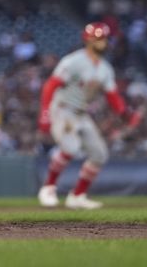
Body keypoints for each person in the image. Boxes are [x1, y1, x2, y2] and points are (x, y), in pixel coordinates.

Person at [37, 22, 141, 209]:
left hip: (81, 113)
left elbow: (113, 98)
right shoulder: (74, 61)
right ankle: (48, 188)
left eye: (106, 39)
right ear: (90, 39)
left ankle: (77, 196)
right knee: (70, 147)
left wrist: (126, 115)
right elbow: (50, 86)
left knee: (99, 154)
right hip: (63, 108)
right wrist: (45, 113)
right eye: (101, 38)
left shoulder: (105, 68)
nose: (105, 42)